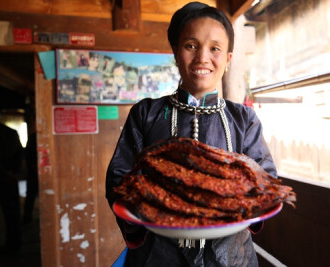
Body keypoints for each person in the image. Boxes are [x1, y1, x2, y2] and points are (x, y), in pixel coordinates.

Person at [106, 2, 277, 266]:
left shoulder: (244, 119)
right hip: (158, 257)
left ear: (228, 58)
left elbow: (265, 181)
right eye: (191, 45)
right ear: (175, 53)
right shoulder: (146, 113)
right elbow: (120, 180)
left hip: (231, 258)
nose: (202, 57)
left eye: (215, 48)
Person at [0, 121, 23, 253]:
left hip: (6, 177)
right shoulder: (10, 132)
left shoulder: (10, 132)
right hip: (9, 178)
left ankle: (13, 244)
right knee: (12, 214)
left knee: (11, 214)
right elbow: (19, 154)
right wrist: (14, 173)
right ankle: (14, 244)